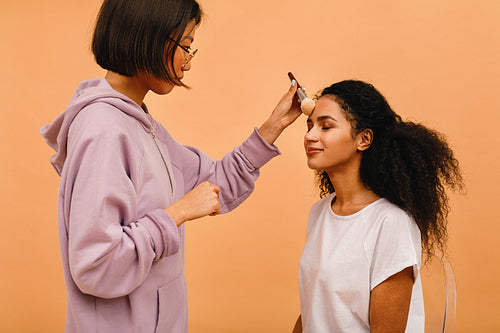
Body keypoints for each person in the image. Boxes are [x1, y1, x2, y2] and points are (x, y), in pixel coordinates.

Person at [40, 0, 301, 331]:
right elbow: (97, 266)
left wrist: (272, 127)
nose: (187, 64)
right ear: (151, 38)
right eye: (186, 47)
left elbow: (216, 185)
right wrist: (175, 214)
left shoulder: (142, 127)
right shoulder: (103, 129)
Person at [293, 80, 463, 332]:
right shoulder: (320, 212)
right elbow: (316, 309)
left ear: (364, 139)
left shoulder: (391, 223)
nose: (310, 136)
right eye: (310, 126)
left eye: (325, 126)